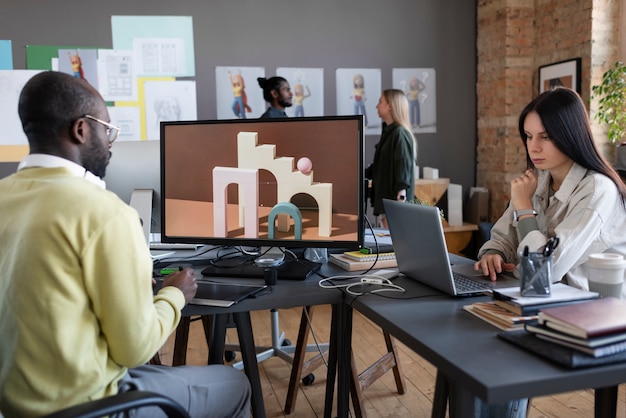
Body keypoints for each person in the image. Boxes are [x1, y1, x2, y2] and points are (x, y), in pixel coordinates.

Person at [0, 71, 251, 418]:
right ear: (81, 129)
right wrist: (174, 293)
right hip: (93, 407)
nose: (110, 142)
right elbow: (135, 349)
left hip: (13, 407)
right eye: (107, 129)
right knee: (235, 384)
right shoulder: (106, 214)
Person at [473, 86, 626, 417]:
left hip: (594, 319)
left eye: (546, 137)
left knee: (495, 352)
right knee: (469, 342)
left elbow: (545, 271)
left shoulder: (598, 190)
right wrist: (492, 253)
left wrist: (524, 210)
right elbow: (501, 235)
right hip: (546, 301)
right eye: (528, 136)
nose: (534, 147)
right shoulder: (540, 178)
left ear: (570, 136)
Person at [365, 88, 417, 227]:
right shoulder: (389, 133)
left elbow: (402, 169)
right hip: (389, 207)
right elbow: (380, 166)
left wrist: (399, 209)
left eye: (380, 101)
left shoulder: (399, 134)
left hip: (395, 208)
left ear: (390, 106)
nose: (377, 105)